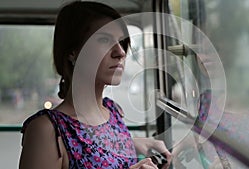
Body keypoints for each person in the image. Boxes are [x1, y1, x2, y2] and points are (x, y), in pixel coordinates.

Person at [19, 1, 171, 169]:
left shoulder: (112, 111)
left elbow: (95, 152)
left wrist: (131, 143)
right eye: (104, 40)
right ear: (72, 52)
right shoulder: (47, 131)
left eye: (122, 41)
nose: (120, 52)